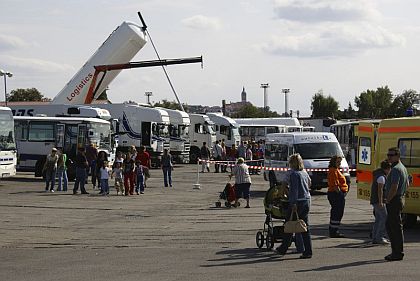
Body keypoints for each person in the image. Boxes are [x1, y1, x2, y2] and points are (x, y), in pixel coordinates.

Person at [276, 154, 312, 259]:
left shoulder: (294, 174)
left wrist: (294, 203)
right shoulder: (304, 173)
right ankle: (308, 250)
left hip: (297, 202)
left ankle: (283, 248)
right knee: (304, 227)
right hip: (306, 200)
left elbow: (295, 190)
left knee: (289, 224)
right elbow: (309, 184)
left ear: (292, 163)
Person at [384, 147, 409, 261]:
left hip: (394, 200)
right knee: (393, 226)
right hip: (399, 198)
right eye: (388, 154)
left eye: (391, 155)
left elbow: (394, 187)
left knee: (394, 228)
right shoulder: (402, 167)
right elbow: (408, 183)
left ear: (397, 156)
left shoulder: (395, 169)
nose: (389, 157)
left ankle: (397, 253)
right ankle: (397, 252)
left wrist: (388, 199)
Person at [370, 160, 392, 244]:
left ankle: (375, 237)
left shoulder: (378, 175)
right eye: (390, 169)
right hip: (378, 201)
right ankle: (380, 237)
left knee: (378, 219)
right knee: (384, 218)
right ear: (387, 169)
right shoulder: (381, 177)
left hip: (375, 201)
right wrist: (380, 202)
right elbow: (380, 191)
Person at [327, 155, 349, 238]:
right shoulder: (333, 170)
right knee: (337, 212)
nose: (339, 163)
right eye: (337, 162)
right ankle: (334, 231)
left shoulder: (336, 170)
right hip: (335, 194)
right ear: (333, 162)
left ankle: (334, 229)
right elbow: (335, 184)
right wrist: (340, 194)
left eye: (340, 162)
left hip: (336, 193)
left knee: (337, 212)